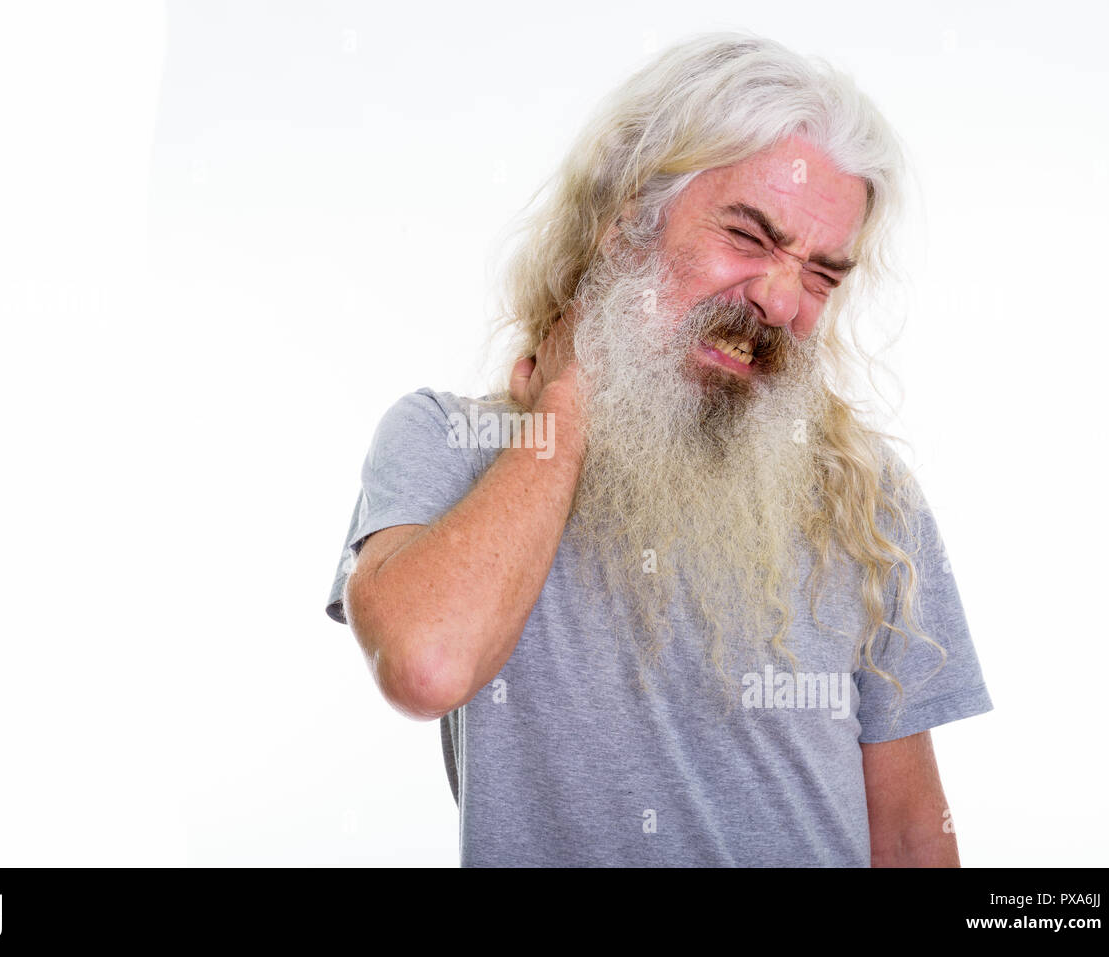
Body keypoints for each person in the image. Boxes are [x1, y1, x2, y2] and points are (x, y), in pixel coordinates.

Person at [324, 31, 992, 867]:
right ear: (624, 222)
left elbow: (908, 833)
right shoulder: (446, 440)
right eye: (750, 236)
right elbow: (427, 662)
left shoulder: (869, 497)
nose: (782, 298)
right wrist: (567, 403)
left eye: (822, 274)